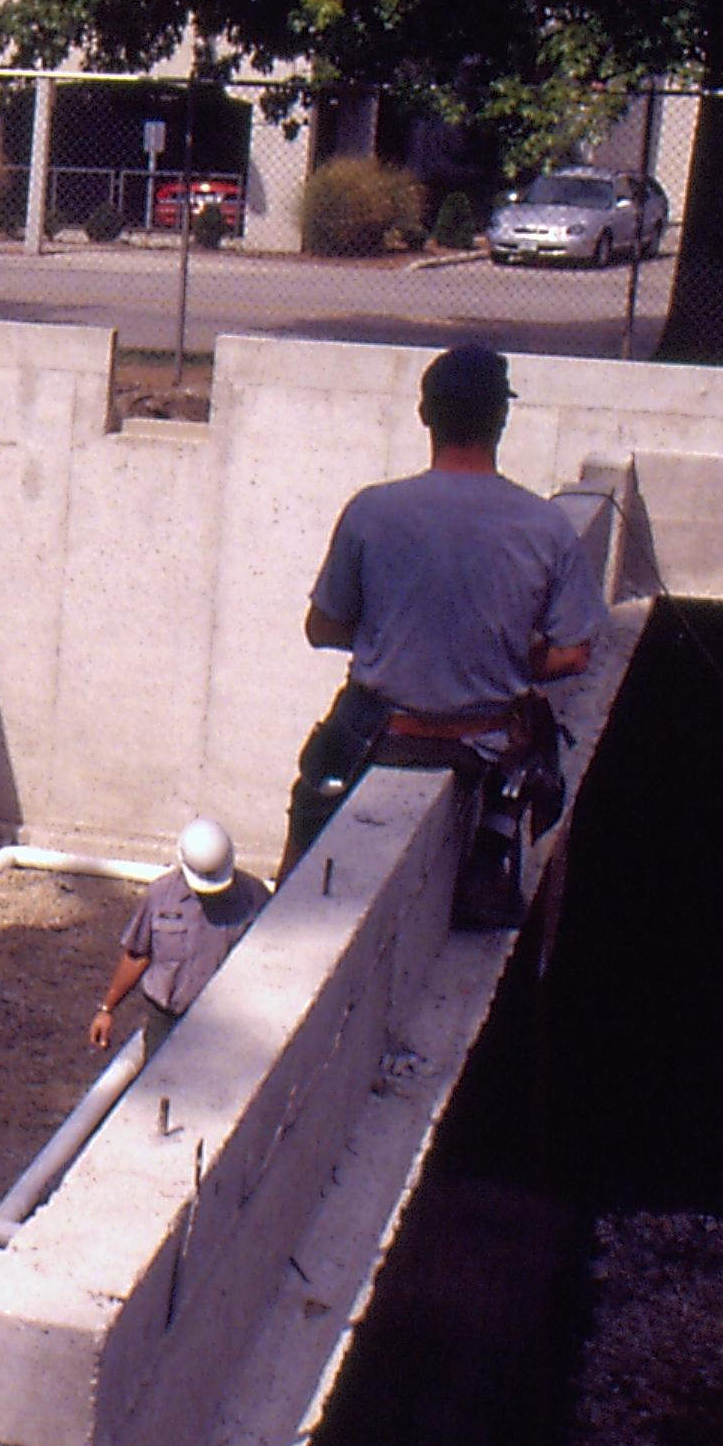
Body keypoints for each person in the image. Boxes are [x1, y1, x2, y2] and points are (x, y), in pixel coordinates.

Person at [285, 343, 608, 929]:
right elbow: (572, 654)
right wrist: (500, 652)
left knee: (307, 836)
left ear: (425, 415)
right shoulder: (546, 527)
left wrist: (397, 633)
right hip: (482, 742)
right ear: (501, 419)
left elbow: (321, 627)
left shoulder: (372, 511)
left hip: (381, 734)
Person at [91, 818, 270, 1053]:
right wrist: (107, 1009)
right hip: (166, 1020)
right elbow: (137, 955)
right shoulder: (161, 896)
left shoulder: (253, 897)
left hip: (226, 1023)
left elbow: (269, 957)